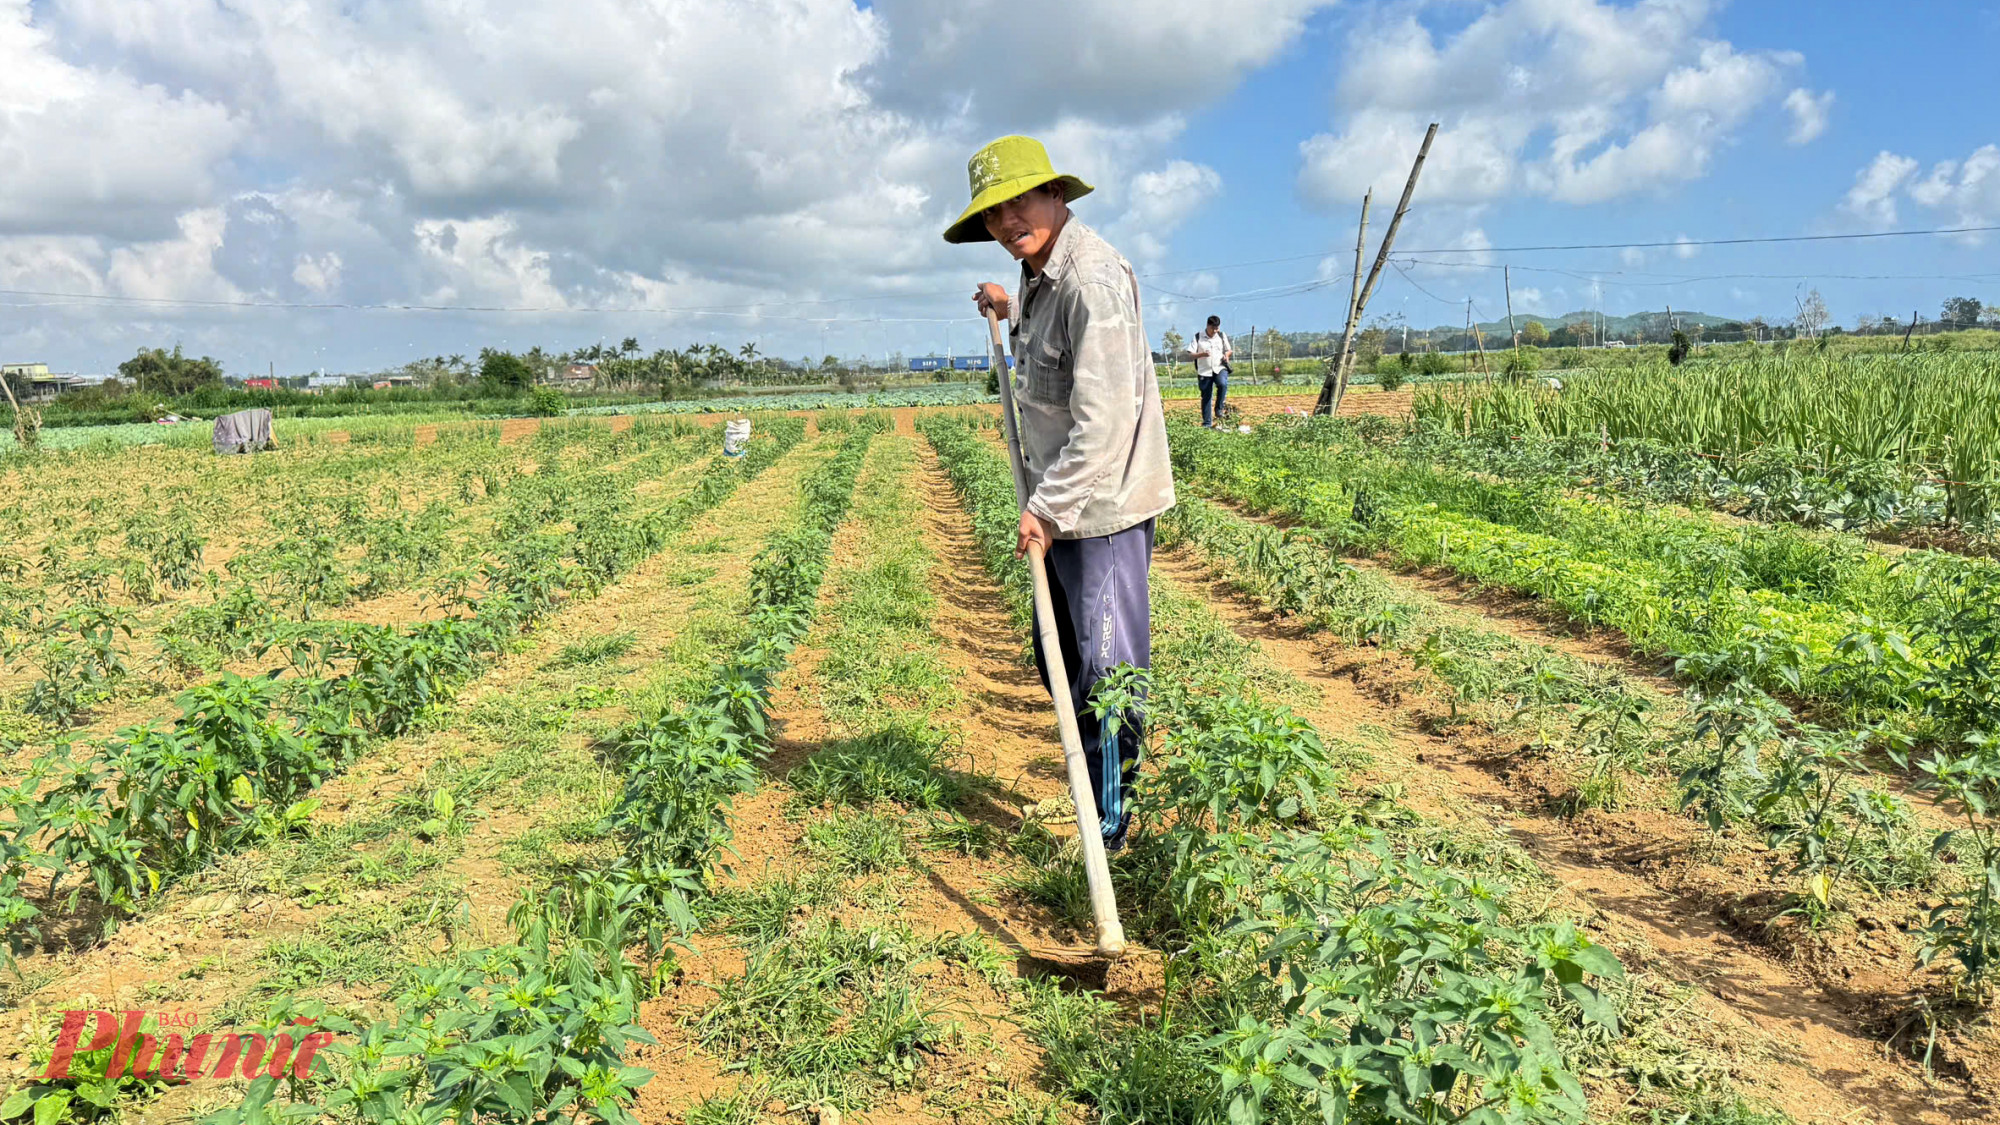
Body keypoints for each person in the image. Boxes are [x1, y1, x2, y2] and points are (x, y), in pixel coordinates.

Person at [946, 134, 1175, 853]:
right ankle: (1092, 789)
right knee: (1060, 660)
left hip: (1098, 510)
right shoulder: (1043, 273)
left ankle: (1109, 830)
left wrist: (1044, 510)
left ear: (1055, 196)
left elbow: (1104, 423)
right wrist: (1009, 309)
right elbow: (1056, 349)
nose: (1009, 220)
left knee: (1105, 676)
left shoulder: (1089, 280)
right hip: (1065, 506)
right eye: (994, 213)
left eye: (1020, 202)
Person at [1187, 315, 1232, 426]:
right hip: (1204, 371)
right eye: (1213, 328)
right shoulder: (1198, 337)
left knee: (1222, 384)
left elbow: (1229, 350)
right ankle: (1207, 423)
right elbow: (1190, 355)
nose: (1215, 331)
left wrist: (1226, 355)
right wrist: (1202, 354)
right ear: (1208, 326)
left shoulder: (1221, 335)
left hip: (1219, 367)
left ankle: (1219, 409)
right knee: (1206, 396)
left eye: (1217, 328)